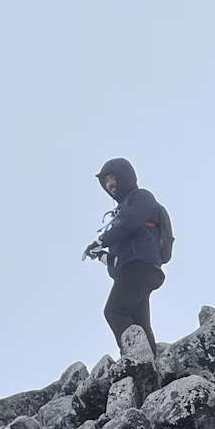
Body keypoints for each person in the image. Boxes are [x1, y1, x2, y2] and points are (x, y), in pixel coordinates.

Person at [83, 158, 169, 379]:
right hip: (139, 268)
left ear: (125, 176)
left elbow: (132, 222)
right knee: (139, 321)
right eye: (106, 181)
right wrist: (101, 255)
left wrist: (102, 239)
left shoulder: (141, 197)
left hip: (140, 266)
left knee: (115, 311)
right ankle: (153, 370)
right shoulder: (122, 213)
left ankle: (134, 359)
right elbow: (117, 261)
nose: (110, 184)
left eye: (113, 178)